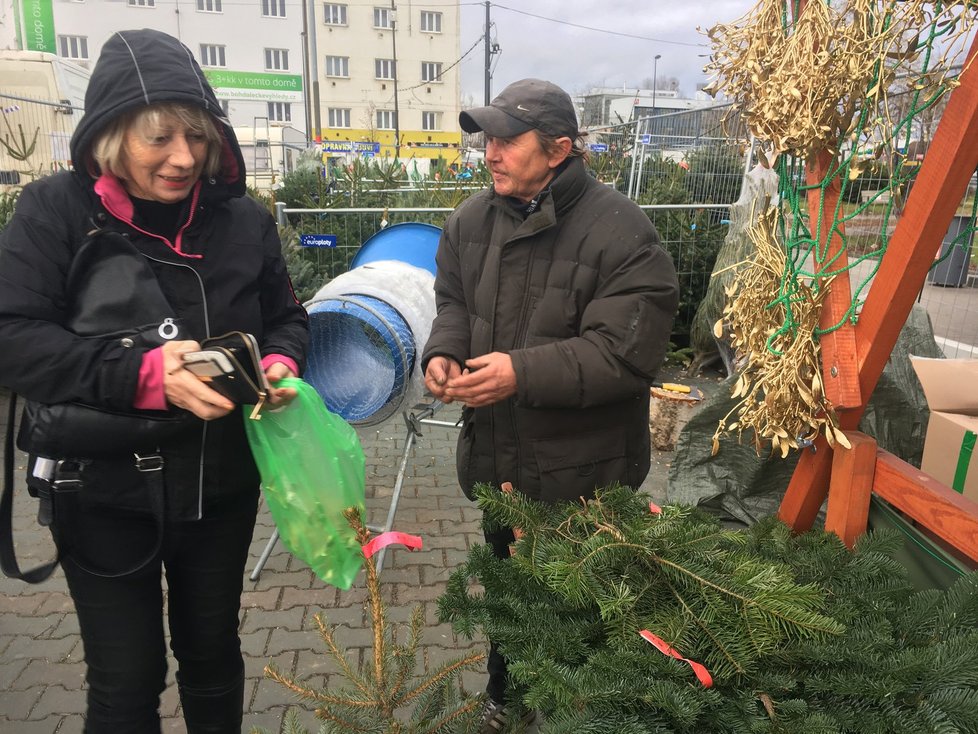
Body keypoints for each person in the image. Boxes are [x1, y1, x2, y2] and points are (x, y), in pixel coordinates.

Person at [0, 29, 307, 733]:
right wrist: (141, 375)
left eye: (196, 137)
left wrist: (279, 366)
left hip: (221, 486)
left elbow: (288, 317)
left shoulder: (242, 219)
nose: (184, 158)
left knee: (213, 656)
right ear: (110, 136)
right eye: (159, 139)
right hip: (102, 491)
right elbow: (11, 337)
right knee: (126, 679)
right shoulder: (55, 212)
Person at [422, 78, 680, 732]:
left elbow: (624, 355)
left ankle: (586, 714)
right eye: (487, 139)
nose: (490, 153)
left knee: (584, 611)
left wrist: (519, 372)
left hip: (585, 474)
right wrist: (442, 354)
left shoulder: (623, 232)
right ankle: (504, 702)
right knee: (510, 600)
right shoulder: (470, 221)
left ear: (560, 149)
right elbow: (453, 303)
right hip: (498, 459)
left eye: (508, 141)